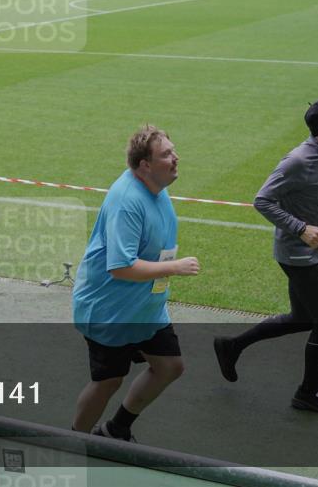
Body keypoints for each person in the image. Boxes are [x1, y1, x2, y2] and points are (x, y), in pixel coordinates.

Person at [213, 99, 318, 416]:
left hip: (311, 252)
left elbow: (311, 190)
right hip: (298, 256)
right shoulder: (298, 160)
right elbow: (262, 200)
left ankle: (231, 346)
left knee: (301, 319)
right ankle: (308, 392)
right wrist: (301, 228)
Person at [71, 125, 201, 442]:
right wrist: (174, 267)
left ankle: (117, 428)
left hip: (145, 306)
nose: (175, 157)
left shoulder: (157, 187)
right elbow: (120, 266)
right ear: (145, 165)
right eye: (166, 154)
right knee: (108, 381)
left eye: (173, 150)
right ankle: (73, 443)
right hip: (110, 310)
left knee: (170, 366)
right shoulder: (127, 201)